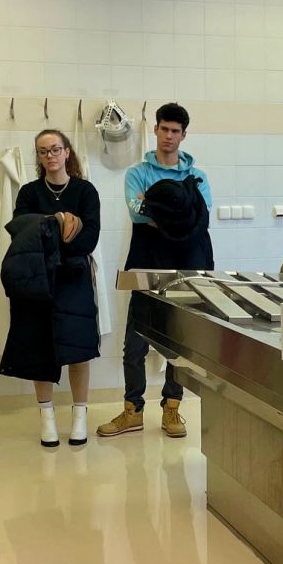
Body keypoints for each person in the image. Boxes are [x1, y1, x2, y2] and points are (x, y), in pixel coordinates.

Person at [97, 102, 213, 440]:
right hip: (146, 261)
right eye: (164, 129)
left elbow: (202, 215)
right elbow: (137, 212)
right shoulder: (137, 173)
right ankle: (132, 410)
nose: (169, 136)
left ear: (184, 135)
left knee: (179, 342)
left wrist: (157, 207)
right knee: (135, 343)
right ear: (156, 129)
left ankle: (172, 408)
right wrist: (180, 210)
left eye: (175, 131)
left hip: (187, 265)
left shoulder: (198, 176)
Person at [1, 129, 101, 448]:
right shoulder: (29, 192)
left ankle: (80, 417)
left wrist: (49, 232)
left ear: (67, 152)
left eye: (56, 149)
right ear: (38, 156)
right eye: (43, 151)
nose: (50, 156)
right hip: (37, 279)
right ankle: (47, 418)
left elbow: (89, 238)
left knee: (78, 347)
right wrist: (59, 221)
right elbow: (21, 232)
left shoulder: (85, 191)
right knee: (39, 346)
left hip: (74, 278)